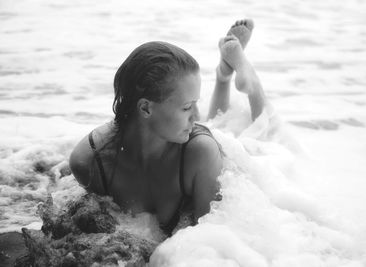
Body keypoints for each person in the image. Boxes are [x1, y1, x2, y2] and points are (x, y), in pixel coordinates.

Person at [69, 19, 269, 236]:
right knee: (212, 122)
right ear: (145, 108)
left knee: (259, 134)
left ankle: (245, 79)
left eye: (194, 104)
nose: (196, 114)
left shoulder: (201, 152)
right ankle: (223, 75)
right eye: (186, 107)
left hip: (222, 157)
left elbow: (212, 243)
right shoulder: (90, 161)